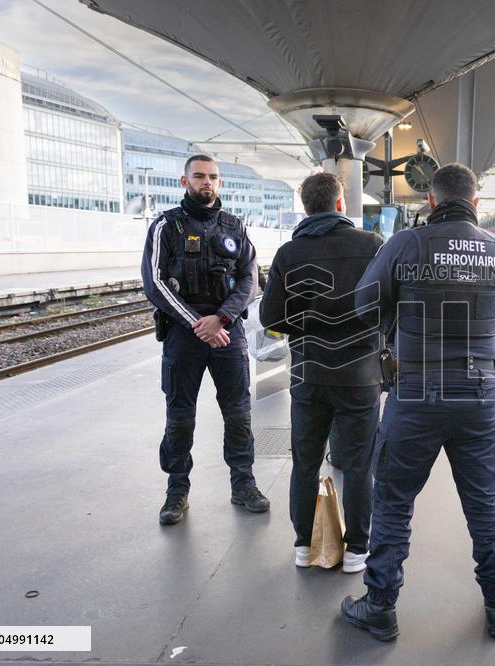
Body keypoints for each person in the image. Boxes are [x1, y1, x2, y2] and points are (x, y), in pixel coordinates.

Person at [341, 163, 495, 641]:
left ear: (432, 201)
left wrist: (396, 323)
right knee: (483, 502)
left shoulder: (406, 244)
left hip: (416, 394)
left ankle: (381, 606)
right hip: (479, 395)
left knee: (394, 501)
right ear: (476, 203)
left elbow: (364, 305)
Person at [259, 172, 383, 572]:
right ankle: (357, 549)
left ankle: (303, 545)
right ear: (340, 203)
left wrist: (306, 324)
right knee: (360, 465)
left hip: (309, 374)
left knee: (306, 462)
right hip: (360, 375)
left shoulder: (289, 253)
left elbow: (270, 316)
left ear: (305, 207)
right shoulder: (371, 245)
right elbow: (388, 306)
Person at [141, 154, 268, 525]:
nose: (206, 182)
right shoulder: (166, 226)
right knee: (180, 416)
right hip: (184, 335)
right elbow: (154, 282)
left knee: (238, 413)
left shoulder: (234, 226)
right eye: (199, 176)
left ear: (220, 182)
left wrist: (222, 319)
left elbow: (249, 279)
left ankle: (243, 484)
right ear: (185, 182)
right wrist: (199, 323)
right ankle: (176, 491)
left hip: (228, 332)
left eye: (213, 176)